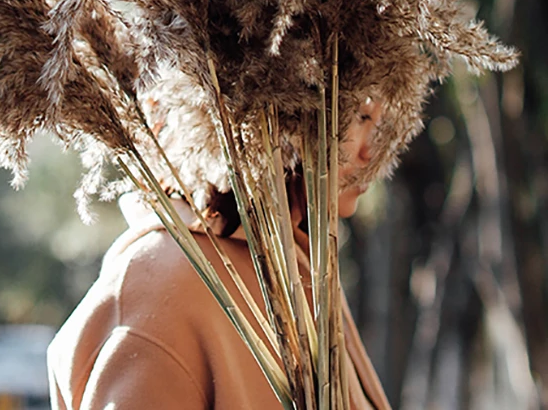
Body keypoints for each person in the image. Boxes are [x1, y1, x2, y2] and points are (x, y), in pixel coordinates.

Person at [48, 100, 391, 410]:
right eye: (359, 117)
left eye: (380, 121)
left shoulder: (296, 264)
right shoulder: (161, 290)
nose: (374, 152)